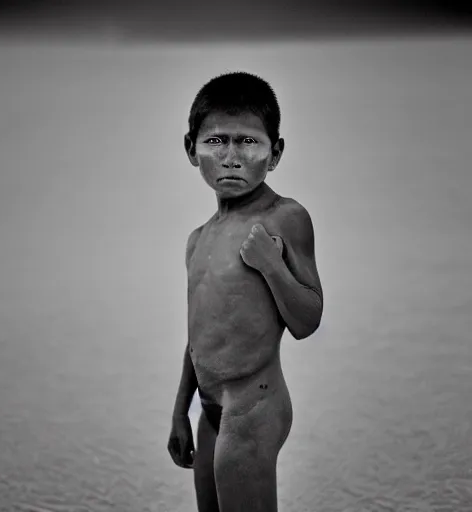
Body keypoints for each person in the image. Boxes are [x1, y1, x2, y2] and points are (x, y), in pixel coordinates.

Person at [167, 71, 323, 512]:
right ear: (191, 149)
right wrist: (181, 410)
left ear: (275, 154)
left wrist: (272, 266)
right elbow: (199, 337)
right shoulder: (198, 239)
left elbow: (308, 320)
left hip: (253, 407)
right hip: (210, 410)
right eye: (216, 141)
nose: (232, 157)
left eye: (248, 142)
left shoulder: (283, 217)